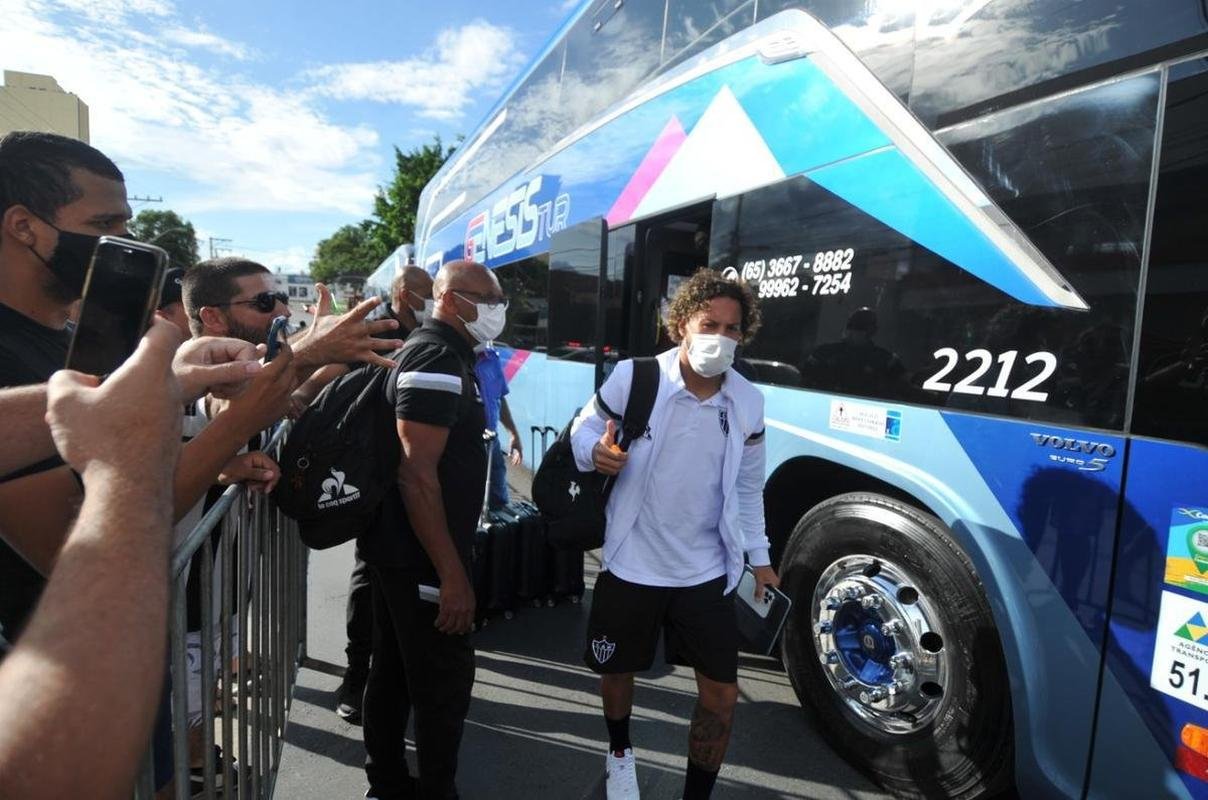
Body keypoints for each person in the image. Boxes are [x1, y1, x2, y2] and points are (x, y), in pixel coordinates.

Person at [569, 269, 778, 800]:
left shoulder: (748, 401)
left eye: (733, 329)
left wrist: (760, 556)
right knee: (618, 672)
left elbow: (750, 486)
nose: (721, 338)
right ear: (682, 323)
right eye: (711, 324)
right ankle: (620, 753)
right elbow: (585, 427)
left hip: (706, 569)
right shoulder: (636, 378)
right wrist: (595, 452)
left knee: (722, 695)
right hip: (631, 559)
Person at [0, 318, 222, 799]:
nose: (118, 242)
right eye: (103, 234)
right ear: (20, 233)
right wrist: (130, 470)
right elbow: (45, 775)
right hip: (74, 663)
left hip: (120, 658)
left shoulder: (64, 338)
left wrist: (174, 381)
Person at [359, 260, 502, 800]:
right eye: (489, 300)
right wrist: (452, 575)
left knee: (394, 671)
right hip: (420, 555)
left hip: (406, 550)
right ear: (454, 301)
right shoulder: (438, 358)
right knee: (442, 685)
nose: (498, 311)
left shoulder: (440, 352)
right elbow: (417, 476)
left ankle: (390, 783)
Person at [474, 342, 523, 510]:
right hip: (467, 443)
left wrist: (513, 433)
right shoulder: (452, 358)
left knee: (498, 501)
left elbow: (499, 397)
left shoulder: (491, 358)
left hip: (491, 442)